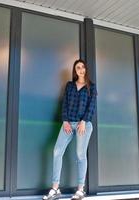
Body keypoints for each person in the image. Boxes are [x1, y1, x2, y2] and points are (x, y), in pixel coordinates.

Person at [43, 59, 97, 200]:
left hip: (83, 125)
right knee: (57, 152)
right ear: (75, 70)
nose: (81, 69)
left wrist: (84, 121)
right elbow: (65, 103)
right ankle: (55, 189)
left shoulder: (91, 87)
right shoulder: (70, 86)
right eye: (78, 67)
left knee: (80, 155)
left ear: (86, 69)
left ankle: (80, 190)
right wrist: (65, 121)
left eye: (83, 67)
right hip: (68, 123)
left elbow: (91, 107)